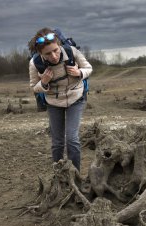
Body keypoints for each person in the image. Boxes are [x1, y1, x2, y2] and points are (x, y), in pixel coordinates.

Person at [28, 27, 93, 170]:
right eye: (48, 53)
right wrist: (44, 82)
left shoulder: (71, 51)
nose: (54, 56)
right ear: (40, 53)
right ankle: (58, 176)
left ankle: (75, 175)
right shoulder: (35, 63)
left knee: (72, 140)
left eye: (56, 50)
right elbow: (34, 87)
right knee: (57, 143)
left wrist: (79, 72)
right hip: (53, 102)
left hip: (76, 97)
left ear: (59, 45)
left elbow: (89, 68)